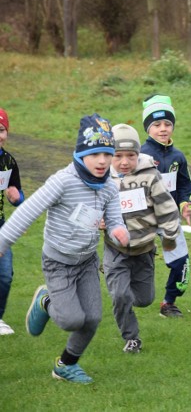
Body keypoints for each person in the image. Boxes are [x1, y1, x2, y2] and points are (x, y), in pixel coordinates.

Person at [0, 114, 129, 384]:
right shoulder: (63, 181)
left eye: (108, 153)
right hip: (58, 261)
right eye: (96, 154)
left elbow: (115, 220)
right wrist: (2, 242)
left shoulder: (108, 186)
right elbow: (28, 211)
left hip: (87, 262)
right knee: (71, 319)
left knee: (92, 318)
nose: (103, 161)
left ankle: (65, 366)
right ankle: (45, 301)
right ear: (82, 153)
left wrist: (119, 233)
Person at [103, 124, 181, 353]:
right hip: (115, 249)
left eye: (131, 156)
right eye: (117, 156)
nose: (124, 162)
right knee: (120, 295)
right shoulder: (104, 179)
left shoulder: (150, 176)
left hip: (144, 248)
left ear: (139, 154)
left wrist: (170, 235)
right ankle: (132, 338)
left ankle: (126, 298)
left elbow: (166, 207)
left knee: (144, 298)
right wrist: (97, 220)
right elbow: (90, 205)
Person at [141, 94, 191, 318]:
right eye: (156, 124)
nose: (162, 129)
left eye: (167, 124)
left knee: (182, 263)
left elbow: (184, 184)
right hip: (142, 218)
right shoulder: (140, 155)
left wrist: (184, 202)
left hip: (168, 218)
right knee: (136, 263)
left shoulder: (178, 157)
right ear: (148, 128)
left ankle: (168, 303)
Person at [0, 108, 25, 336]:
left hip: (0, 227)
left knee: (5, 274)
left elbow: (19, 195)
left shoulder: (8, 161)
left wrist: (16, 197)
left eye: (1, 130)